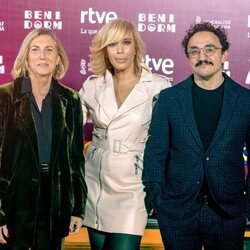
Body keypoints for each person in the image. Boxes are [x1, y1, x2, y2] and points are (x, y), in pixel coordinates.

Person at [142, 21, 250, 250]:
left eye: (210, 49)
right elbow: (155, 154)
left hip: (228, 214)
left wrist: (247, 205)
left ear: (225, 54)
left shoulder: (245, 101)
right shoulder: (169, 99)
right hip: (177, 212)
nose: (202, 56)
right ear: (188, 57)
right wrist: (157, 201)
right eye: (194, 51)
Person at [79, 18, 171, 250]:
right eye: (112, 44)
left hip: (134, 183)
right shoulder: (92, 86)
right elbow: (68, 130)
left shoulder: (158, 86)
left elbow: (168, 140)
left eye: (126, 42)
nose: (119, 50)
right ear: (105, 50)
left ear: (136, 47)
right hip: (96, 179)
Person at [0, 28, 87, 250]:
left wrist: (77, 208)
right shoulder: (5, 96)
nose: (42, 56)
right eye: (35, 50)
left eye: (49, 50)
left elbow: (76, 159)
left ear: (58, 58)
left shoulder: (70, 99)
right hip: (14, 200)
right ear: (26, 56)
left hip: (55, 203)